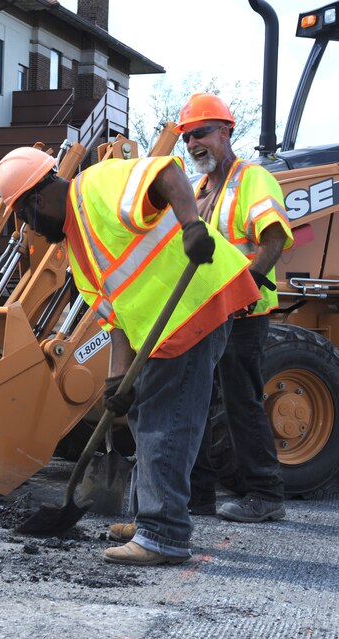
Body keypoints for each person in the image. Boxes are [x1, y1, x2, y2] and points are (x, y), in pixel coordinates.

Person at [0, 147, 260, 566]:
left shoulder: (99, 186)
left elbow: (167, 173)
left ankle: (164, 535)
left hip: (194, 301)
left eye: (25, 218)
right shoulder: (79, 250)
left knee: (165, 420)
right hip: (164, 326)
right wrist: (117, 379)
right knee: (144, 415)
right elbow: (114, 319)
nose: (32, 229)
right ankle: (150, 519)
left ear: (38, 200)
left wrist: (192, 226)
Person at [177, 93, 293, 523]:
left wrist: (246, 288)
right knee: (198, 402)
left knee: (241, 400)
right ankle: (198, 494)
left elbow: (274, 238)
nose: (193, 144)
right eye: (188, 137)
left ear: (227, 132)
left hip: (245, 313)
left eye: (202, 133)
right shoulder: (197, 190)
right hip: (208, 314)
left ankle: (266, 494)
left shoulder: (253, 179)